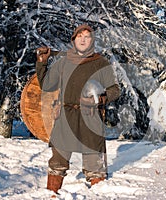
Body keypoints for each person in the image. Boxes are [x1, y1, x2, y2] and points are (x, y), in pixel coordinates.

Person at [35, 24, 120, 193]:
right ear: (73, 40)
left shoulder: (100, 63)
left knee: (94, 163)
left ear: (92, 41)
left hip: (91, 116)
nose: (83, 39)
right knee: (57, 161)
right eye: (79, 36)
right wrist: (42, 64)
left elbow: (115, 90)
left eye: (87, 36)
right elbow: (47, 85)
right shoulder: (63, 62)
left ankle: (99, 194)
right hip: (66, 115)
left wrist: (101, 99)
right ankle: (51, 194)